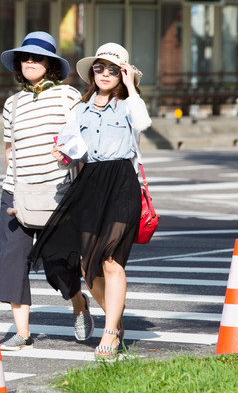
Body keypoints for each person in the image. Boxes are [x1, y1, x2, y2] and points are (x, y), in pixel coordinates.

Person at [28, 42, 152, 359]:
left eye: (114, 68)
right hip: (90, 183)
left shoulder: (129, 105)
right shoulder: (80, 109)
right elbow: (73, 151)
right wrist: (63, 156)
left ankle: (111, 333)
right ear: (91, 72)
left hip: (122, 182)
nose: (105, 73)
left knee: (111, 259)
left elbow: (144, 123)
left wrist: (131, 86)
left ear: (124, 73)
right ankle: (114, 318)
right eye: (100, 67)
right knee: (87, 265)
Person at [0, 31, 94, 351]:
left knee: (58, 266)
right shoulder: (12, 103)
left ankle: (79, 305)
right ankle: (22, 333)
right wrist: (11, 183)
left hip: (57, 194)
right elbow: (10, 149)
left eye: (37, 58)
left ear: (50, 64)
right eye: (25, 57)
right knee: (13, 262)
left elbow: (81, 141)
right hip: (16, 193)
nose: (30, 62)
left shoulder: (67, 97)